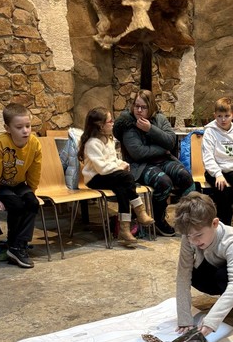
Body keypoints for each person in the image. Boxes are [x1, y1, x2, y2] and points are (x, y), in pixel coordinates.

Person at [174, 192, 233, 334]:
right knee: (195, 275)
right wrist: (184, 318)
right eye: (188, 236)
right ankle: (226, 297)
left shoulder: (231, 241)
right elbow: (183, 275)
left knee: (225, 277)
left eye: (198, 235)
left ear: (215, 223)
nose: (193, 241)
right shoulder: (190, 235)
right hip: (218, 262)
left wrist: (212, 321)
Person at [113, 89, 195, 236]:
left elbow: (171, 141)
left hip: (164, 161)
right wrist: (163, 149)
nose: (139, 110)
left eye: (143, 107)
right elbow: (138, 153)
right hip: (141, 166)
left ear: (151, 107)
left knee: (185, 176)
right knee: (164, 182)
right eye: (136, 106)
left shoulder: (160, 119)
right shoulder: (127, 123)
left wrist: (151, 129)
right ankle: (158, 218)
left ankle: (189, 219)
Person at [79, 107, 154, 245]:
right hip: (95, 178)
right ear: (101, 126)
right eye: (110, 121)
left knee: (122, 189)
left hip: (109, 175)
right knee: (127, 177)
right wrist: (119, 168)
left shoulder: (109, 140)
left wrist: (122, 164)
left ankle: (124, 229)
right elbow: (102, 168)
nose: (113, 123)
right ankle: (140, 210)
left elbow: (112, 160)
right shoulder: (92, 144)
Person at [0, 103, 42, 269]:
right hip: (1, 185)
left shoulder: (34, 143)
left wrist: (32, 190)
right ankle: (16, 246)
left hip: (18, 183)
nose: (25, 131)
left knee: (32, 202)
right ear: (7, 128)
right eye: (19, 127)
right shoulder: (0, 143)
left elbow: (35, 169)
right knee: (16, 205)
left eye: (28, 126)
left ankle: (18, 246)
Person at [202, 97, 233, 225]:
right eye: (219, 116)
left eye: (226, 116)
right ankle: (224, 224)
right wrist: (218, 174)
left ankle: (220, 207)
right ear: (214, 116)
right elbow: (208, 157)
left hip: (232, 168)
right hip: (214, 169)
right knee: (221, 189)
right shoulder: (210, 132)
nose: (223, 120)